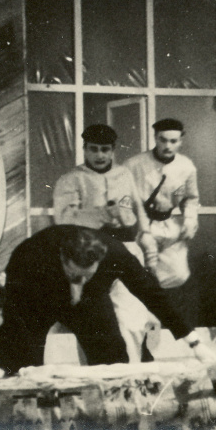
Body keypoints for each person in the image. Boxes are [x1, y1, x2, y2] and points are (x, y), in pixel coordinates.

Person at [0, 225, 216, 376]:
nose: (79, 282)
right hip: (43, 296)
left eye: (86, 275)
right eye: (75, 275)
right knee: (26, 368)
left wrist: (195, 343)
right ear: (62, 257)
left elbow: (152, 294)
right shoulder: (29, 256)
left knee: (113, 361)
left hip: (92, 299)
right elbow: (14, 318)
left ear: (100, 261)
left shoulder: (116, 254)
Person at [52, 124, 157, 363]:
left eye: (105, 149)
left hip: (125, 249)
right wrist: (101, 214)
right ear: (84, 149)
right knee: (96, 324)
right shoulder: (71, 179)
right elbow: (64, 219)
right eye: (94, 149)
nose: (99, 155)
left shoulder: (124, 174)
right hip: (90, 256)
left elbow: (137, 208)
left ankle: (132, 371)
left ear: (113, 150)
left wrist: (145, 234)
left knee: (133, 316)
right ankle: (100, 375)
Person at [125, 119, 199, 290]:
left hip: (168, 227)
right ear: (155, 138)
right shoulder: (133, 165)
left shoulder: (186, 166)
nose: (167, 146)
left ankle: (148, 293)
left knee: (178, 274)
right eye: (163, 140)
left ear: (180, 141)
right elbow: (122, 198)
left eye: (173, 141)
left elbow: (191, 198)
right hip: (139, 227)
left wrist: (190, 219)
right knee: (134, 273)